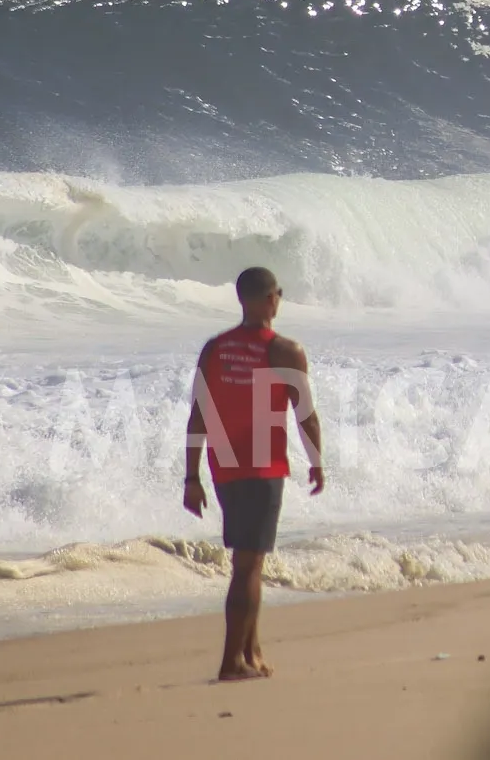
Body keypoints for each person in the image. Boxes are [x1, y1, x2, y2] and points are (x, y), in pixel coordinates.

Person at [183, 266, 325, 681]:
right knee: (247, 566)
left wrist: (191, 477)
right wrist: (316, 460)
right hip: (262, 468)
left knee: (249, 563)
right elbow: (306, 415)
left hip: (223, 465)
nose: (280, 299)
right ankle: (231, 662)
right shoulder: (285, 350)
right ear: (269, 299)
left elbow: (198, 415)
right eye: (279, 293)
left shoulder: (214, 349)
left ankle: (251, 651)